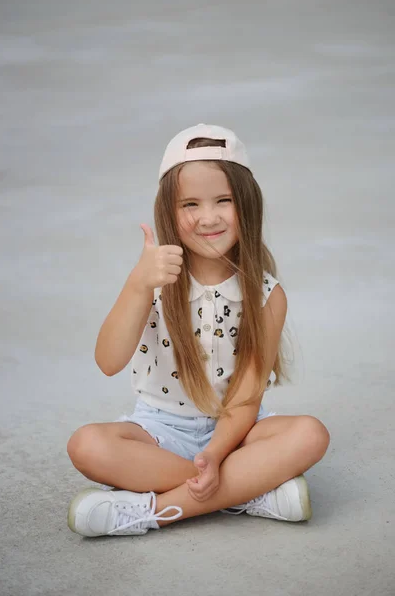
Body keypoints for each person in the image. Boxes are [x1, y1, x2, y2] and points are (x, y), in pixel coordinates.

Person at [67, 123, 330, 537]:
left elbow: (245, 397)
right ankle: (245, 490)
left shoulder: (265, 294)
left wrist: (217, 452)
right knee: (87, 446)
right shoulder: (154, 281)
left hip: (236, 433)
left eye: (224, 200)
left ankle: (150, 512)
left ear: (247, 205)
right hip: (160, 432)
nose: (208, 217)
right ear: (168, 211)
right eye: (190, 204)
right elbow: (108, 360)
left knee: (310, 435)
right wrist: (138, 284)